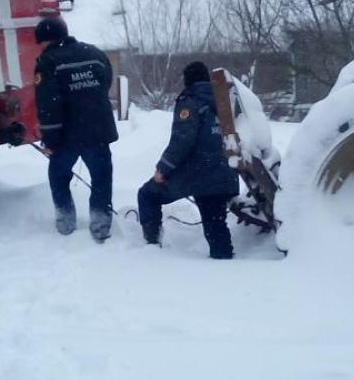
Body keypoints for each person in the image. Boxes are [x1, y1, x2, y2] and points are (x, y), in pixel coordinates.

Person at [138, 61, 238, 259]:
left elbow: (182, 141)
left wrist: (163, 170)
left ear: (187, 80)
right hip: (226, 173)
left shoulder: (190, 100)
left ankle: (151, 247)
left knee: (147, 195)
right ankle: (225, 263)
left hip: (199, 173)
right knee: (214, 220)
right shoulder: (224, 100)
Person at [33, 16, 118, 242]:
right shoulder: (96, 53)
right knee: (101, 176)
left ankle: (66, 222)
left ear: (44, 41)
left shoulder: (47, 61)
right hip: (98, 130)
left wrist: (50, 140)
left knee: (59, 176)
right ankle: (100, 223)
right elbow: (105, 83)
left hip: (67, 135)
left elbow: (48, 104)